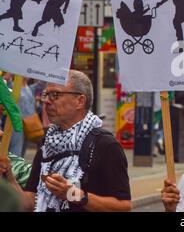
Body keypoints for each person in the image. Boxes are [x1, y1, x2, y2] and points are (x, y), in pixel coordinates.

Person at [0, 70, 131, 212]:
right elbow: (29, 203)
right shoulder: (48, 145)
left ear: (80, 101)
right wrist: (10, 178)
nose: (46, 101)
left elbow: (124, 207)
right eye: (46, 94)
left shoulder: (105, 145)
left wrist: (73, 194)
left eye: (55, 95)